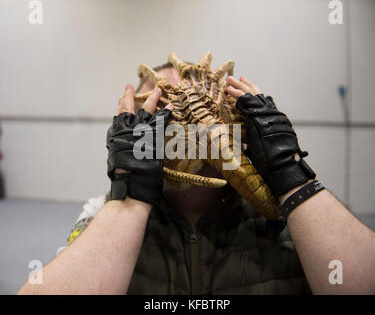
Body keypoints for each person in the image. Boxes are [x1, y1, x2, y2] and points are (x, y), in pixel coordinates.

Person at [18, 64, 375, 295]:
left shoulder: (294, 220)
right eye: (162, 110)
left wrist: (293, 179)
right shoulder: (102, 220)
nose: (187, 127)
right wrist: (130, 197)